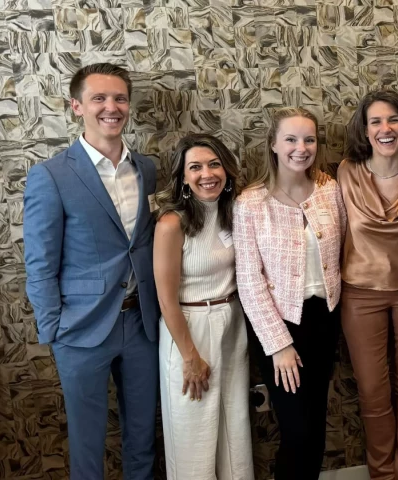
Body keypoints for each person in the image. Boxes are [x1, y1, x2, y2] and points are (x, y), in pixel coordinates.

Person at [24, 63, 159, 479]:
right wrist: (54, 328)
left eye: (119, 98)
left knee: (143, 436)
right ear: (76, 106)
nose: (111, 107)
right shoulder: (51, 175)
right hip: (79, 330)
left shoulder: (147, 169)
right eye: (98, 98)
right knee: (87, 443)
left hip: (142, 323)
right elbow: (40, 262)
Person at [234, 107, 347, 479]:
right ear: (273, 144)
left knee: (315, 428)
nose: (302, 148)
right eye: (291, 139)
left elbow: (344, 251)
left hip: (324, 320)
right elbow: (249, 281)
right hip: (281, 325)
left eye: (309, 139)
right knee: (297, 431)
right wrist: (279, 344)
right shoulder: (251, 203)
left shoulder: (330, 191)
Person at [338, 90, 398, 480]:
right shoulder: (346, 172)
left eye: (393, 119)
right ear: (365, 130)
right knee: (372, 390)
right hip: (360, 293)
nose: (385, 128)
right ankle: (382, 474)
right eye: (376, 121)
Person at [152, 134, 253, 479]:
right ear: (182, 178)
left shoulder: (235, 211)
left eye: (214, 164)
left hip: (231, 324)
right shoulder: (171, 224)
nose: (207, 174)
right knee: (194, 432)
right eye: (195, 167)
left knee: (234, 427)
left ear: (226, 170)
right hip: (190, 327)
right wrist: (190, 357)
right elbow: (166, 300)